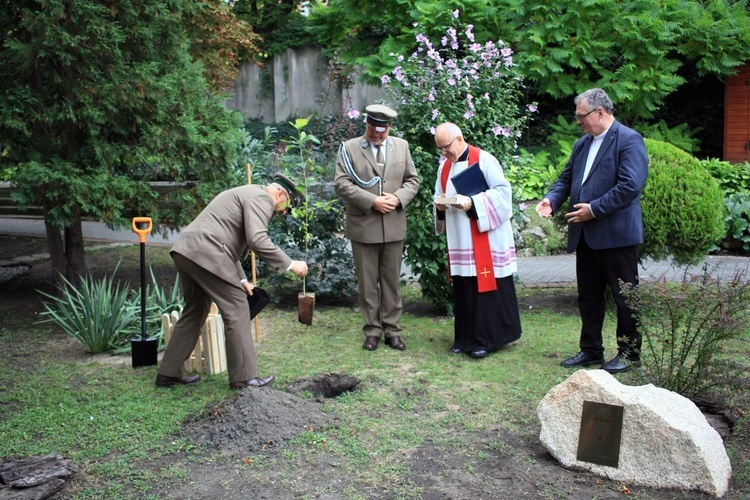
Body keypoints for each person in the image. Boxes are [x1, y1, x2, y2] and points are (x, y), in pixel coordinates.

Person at [155, 173, 309, 389]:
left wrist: (242, 278)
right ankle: (244, 378)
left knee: (196, 309)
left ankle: (168, 373)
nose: (284, 211)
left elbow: (226, 239)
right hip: (208, 250)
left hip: (188, 249)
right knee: (237, 308)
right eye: (287, 206)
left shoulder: (248, 192)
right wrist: (291, 264)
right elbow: (257, 238)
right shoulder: (263, 198)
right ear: (281, 193)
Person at [535, 88, 649, 374]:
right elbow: (566, 178)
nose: (578, 122)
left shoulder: (629, 140)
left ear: (600, 112)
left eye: (581, 116)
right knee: (588, 297)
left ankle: (630, 353)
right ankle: (591, 350)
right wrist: (552, 199)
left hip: (617, 236)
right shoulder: (582, 144)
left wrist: (594, 209)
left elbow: (630, 186)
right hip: (586, 235)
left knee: (625, 298)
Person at [334, 104, 421, 351]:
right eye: (373, 128)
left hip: (393, 225)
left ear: (389, 128)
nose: (377, 134)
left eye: (382, 131)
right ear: (367, 124)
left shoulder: (401, 146)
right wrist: (372, 201)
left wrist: (399, 198)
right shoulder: (350, 148)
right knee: (367, 282)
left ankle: (392, 331)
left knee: (391, 281)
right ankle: (372, 330)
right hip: (363, 225)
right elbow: (340, 183)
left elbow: (413, 180)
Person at [433, 122, 522, 358]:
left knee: (485, 289)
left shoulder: (484, 160)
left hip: (486, 238)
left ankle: (487, 340)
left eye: (446, 147)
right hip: (460, 239)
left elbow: (503, 195)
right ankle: (464, 338)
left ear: (460, 139)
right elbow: (438, 196)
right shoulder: (444, 168)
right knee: (465, 288)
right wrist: (440, 206)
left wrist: (473, 203)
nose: (444, 153)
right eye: (440, 149)